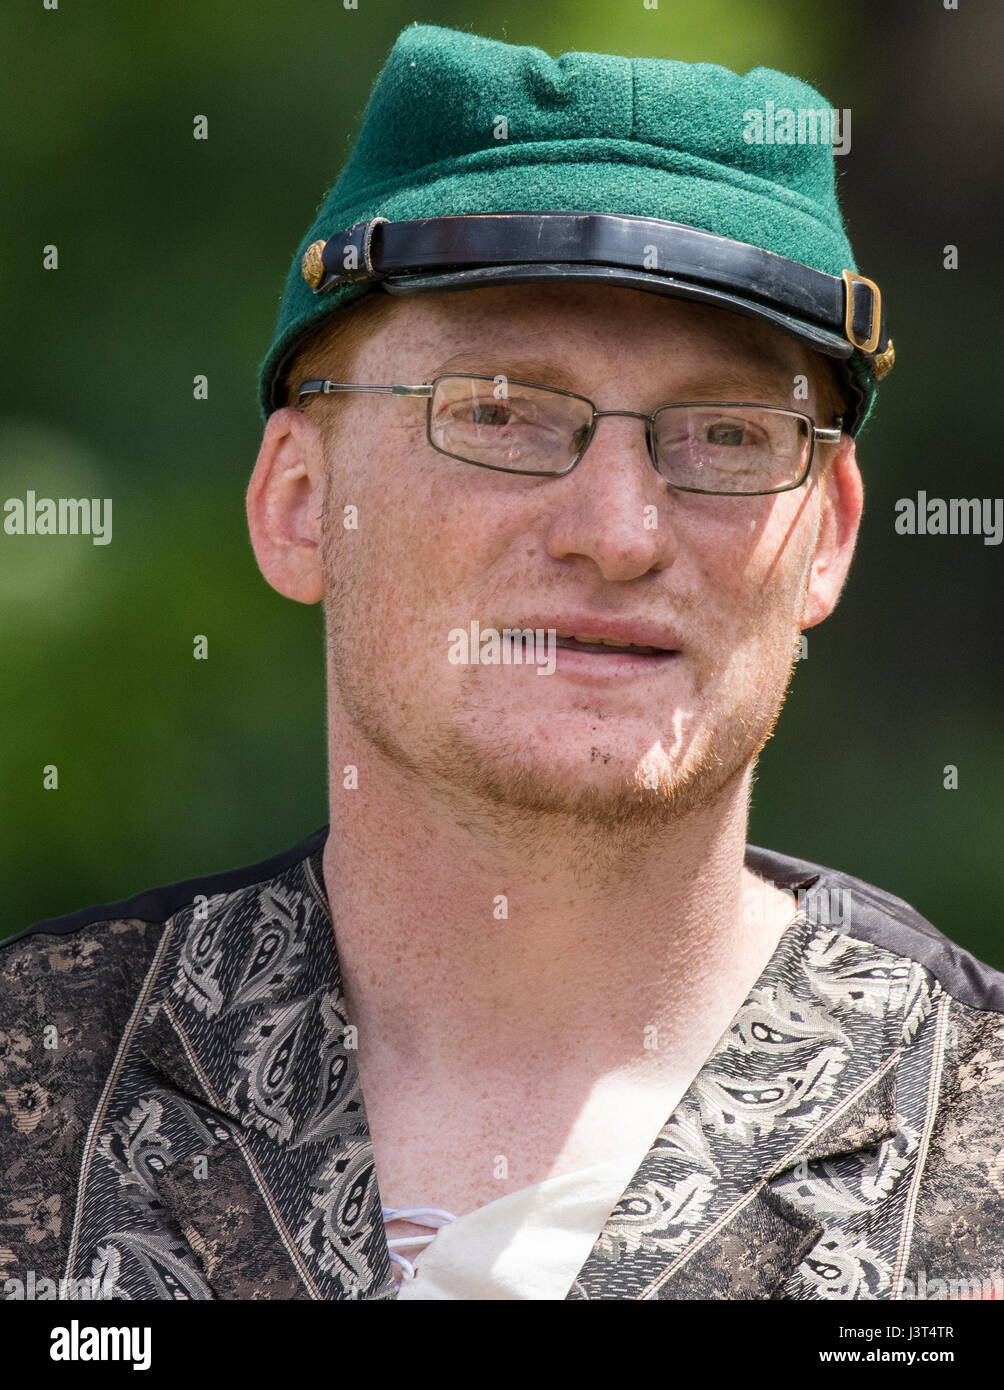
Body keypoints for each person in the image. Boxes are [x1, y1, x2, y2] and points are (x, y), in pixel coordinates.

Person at [2, 24, 1001, 1304]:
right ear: (301, 501)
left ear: (828, 537)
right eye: (497, 411)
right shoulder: (37, 1087)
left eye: (725, 434)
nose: (619, 533)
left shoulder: (969, 1135)